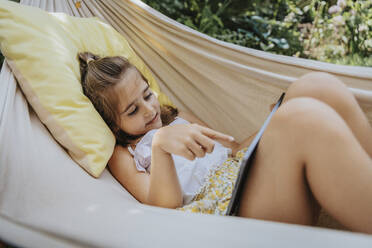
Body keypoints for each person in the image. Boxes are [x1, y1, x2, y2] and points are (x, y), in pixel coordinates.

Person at [78, 52, 372, 234]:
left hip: (248, 179)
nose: (149, 110)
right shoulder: (124, 154)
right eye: (132, 110)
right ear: (114, 124)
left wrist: (271, 125)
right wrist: (161, 147)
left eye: (147, 94)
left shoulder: (176, 118)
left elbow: (233, 149)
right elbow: (162, 207)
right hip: (231, 218)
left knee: (315, 86)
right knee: (303, 117)